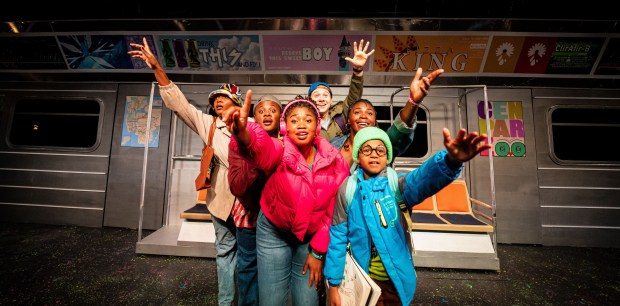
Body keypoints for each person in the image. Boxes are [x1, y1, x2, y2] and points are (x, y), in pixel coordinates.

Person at [128, 37, 243, 306]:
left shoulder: (253, 124)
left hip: (251, 204)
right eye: (215, 100)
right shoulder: (208, 125)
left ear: (237, 102)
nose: (217, 103)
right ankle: (226, 302)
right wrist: (157, 68)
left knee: (252, 256)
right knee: (225, 252)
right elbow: (179, 104)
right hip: (223, 201)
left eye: (224, 99)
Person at [324, 126, 491, 306]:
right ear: (358, 156)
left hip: (395, 283)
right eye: (367, 149)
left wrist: (450, 161)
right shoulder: (347, 189)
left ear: (387, 157)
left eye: (380, 150)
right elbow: (337, 238)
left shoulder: (398, 186)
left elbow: (422, 179)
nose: (374, 154)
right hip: (362, 282)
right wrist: (333, 284)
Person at [222, 92, 350, 306]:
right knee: (271, 301)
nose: (301, 125)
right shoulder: (279, 150)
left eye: (308, 120)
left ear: (317, 127)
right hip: (273, 232)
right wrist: (242, 133)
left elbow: (334, 211)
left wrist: (318, 253)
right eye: (294, 120)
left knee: (307, 301)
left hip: (309, 238)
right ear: (285, 127)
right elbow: (259, 147)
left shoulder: (334, 160)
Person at [227, 94, 283, 306]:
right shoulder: (238, 142)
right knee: (249, 267)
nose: (267, 114)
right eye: (261, 110)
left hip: (278, 219)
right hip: (249, 215)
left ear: (281, 116)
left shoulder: (288, 142)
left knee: (275, 271)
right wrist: (253, 155)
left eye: (272, 110)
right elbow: (237, 186)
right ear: (254, 117)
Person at [330, 67, 444, 168]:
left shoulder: (383, 143)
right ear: (348, 120)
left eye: (369, 113)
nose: (363, 116)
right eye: (357, 112)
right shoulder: (334, 144)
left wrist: (413, 102)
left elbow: (399, 131)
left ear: (374, 121)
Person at [308, 39, 375, 141]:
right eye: (316, 95)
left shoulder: (340, 116)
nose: (321, 99)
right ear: (309, 100)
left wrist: (357, 70)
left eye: (325, 95)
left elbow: (354, 96)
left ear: (331, 100)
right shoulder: (304, 122)